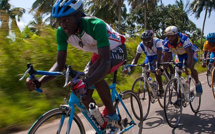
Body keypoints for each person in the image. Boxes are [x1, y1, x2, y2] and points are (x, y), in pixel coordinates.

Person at [26, 0, 127, 132]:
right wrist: (39, 82)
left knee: (92, 78)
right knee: (83, 93)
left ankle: (113, 117)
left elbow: (105, 62)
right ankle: (102, 123)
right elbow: (59, 64)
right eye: (59, 21)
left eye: (66, 20)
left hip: (117, 49)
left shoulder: (96, 25)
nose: (63, 25)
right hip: (99, 52)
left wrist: (87, 81)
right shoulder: (61, 32)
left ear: (78, 16)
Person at [162, 26, 202, 102]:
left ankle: (197, 83)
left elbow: (189, 54)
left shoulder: (184, 39)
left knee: (190, 68)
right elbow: (165, 56)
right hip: (179, 55)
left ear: (176, 35)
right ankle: (179, 98)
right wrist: (163, 66)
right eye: (168, 36)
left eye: (172, 36)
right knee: (176, 76)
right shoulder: (166, 42)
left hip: (190, 53)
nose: (170, 38)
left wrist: (187, 66)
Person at [124, 30, 164, 96]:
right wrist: (130, 68)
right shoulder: (140, 45)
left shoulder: (157, 42)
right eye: (144, 42)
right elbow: (136, 59)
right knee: (145, 68)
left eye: (148, 42)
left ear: (152, 39)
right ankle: (150, 84)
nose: (146, 44)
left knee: (156, 69)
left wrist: (156, 64)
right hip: (149, 56)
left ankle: (161, 87)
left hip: (158, 55)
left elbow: (159, 56)